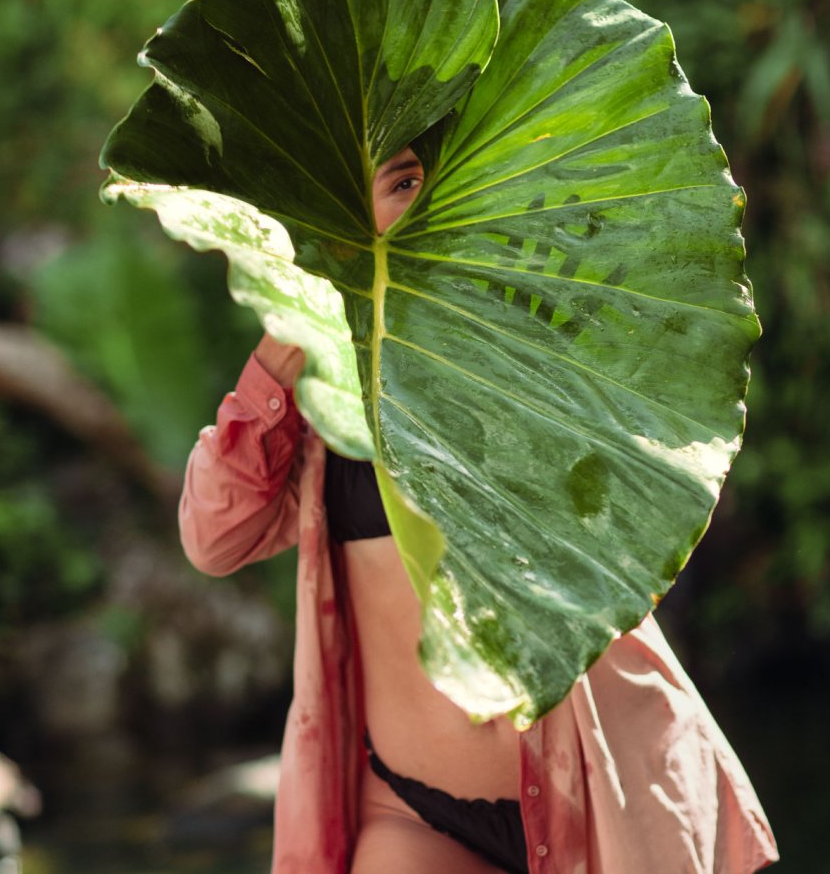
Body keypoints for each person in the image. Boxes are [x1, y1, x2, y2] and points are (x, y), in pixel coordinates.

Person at [179, 147, 779, 874]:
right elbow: (214, 538)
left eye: (412, 179)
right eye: (378, 190)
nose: (410, 204)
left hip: (603, 788)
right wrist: (287, 337)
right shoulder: (313, 408)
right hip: (412, 812)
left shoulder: (522, 338)